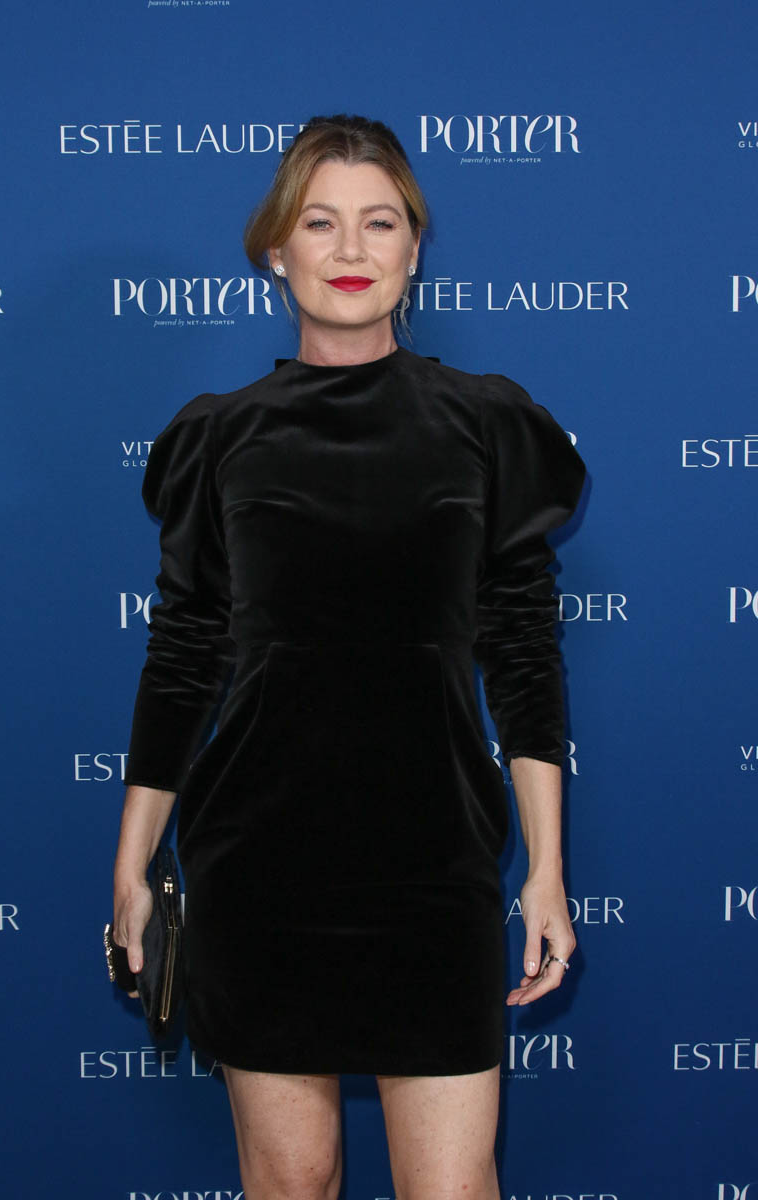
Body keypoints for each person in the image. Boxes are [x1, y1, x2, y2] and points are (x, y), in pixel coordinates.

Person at [111, 113, 586, 1200]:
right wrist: (130, 863)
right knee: (295, 1182)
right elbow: (183, 655)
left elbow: (523, 657)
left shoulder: (485, 424)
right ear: (276, 251)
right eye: (320, 223)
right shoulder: (220, 436)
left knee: (452, 1187)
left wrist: (546, 870)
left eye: (379, 222)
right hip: (260, 867)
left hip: (434, 865)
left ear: (414, 248)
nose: (351, 249)